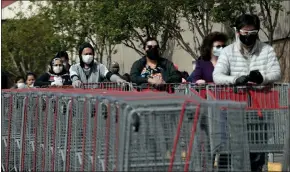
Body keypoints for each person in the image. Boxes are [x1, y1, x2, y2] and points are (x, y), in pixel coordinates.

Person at [213, 14, 281, 85]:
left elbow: (276, 73)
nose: (248, 35)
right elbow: (217, 76)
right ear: (238, 32)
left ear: (257, 32)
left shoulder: (267, 50)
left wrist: (263, 78)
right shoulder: (227, 51)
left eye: (253, 32)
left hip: (262, 94)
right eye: (245, 32)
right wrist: (235, 80)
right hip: (238, 94)